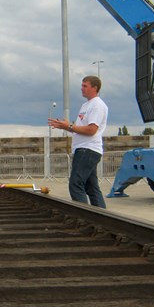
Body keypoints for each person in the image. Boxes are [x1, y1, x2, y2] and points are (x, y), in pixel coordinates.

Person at [48, 75, 108, 208]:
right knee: (91, 188)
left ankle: (84, 216)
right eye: (82, 85)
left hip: (87, 150)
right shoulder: (86, 105)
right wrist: (67, 126)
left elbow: (92, 130)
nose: (82, 88)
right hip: (84, 149)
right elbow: (81, 128)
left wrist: (69, 126)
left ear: (95, 87)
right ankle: (103, 218)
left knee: (75, 184)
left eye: (85, 86)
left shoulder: (97, 105)